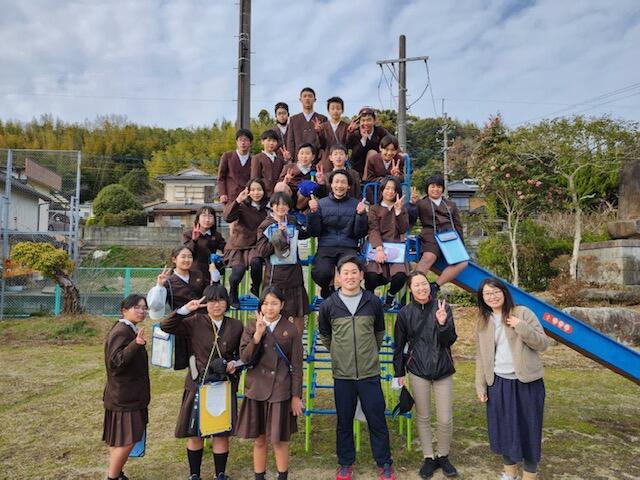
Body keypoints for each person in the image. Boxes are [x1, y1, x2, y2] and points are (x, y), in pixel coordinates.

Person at [317, 255, 395, 480]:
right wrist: (339, 354)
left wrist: (369, 353)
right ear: (338, 277)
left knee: (377, 419)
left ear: (361, 275)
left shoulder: (373, 302)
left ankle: (384, 462)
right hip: (343, 374)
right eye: (345, 273)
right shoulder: (329, 305)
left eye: (354, 272)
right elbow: (326, 336)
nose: (350, 276)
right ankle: (345, 462)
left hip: (370, 373)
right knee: (344, 421)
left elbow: (379, 332)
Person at [161, 285, 244, 480]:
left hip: (223, 384)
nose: (216, 305)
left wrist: (235, 364)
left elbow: (244, 354)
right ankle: (194, 474)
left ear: (227, 302)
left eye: (221, 300)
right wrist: (185, 310)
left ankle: (220, 474)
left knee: (221, 432)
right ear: (205, 303)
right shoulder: (195, 321)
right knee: (195, 432)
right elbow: (166, 326)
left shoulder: (236, 325)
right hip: (198, 384)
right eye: (212, 301)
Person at [475, 278, 551, 480]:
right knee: (504, 430)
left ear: (504, 292)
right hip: (498, 383)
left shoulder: (522, 313)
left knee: (529, 429)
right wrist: (480, 386)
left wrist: (521, 326)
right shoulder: (483, 321)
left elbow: (543, 344)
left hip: (528, 382)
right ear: (482, 298)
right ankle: (510, 474)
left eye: (496, 292)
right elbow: (481, 356)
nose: (492, 297)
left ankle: (529, 475)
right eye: (487, 294)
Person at [393, 271, 459, 479]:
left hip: (443, 369)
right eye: (417, 285)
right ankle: (429, 457)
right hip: (418, 370)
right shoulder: (405, 313)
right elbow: (399, 345)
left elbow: (449, 340)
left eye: (424, 284)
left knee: (445, 419)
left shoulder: (442, 307)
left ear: (429, 286)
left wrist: (442, 323)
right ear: (410, 289)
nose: (422, 288)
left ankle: (443, 456)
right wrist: (398, 372)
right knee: (423, 416)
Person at [236, 287, 304, 480]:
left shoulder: (290, 329)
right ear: (260, 306)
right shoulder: (252, 326)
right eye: (265, 303)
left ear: (282, 305)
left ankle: (282, 476)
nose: (269, 308)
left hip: (280, 389)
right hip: (257, 388)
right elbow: (245, 358)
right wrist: (258, 335)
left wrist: (296, 396)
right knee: (259, 439)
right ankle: (259, 476)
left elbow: (297, 366)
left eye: (274, 303)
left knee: (279, 440)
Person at [102, 295, 150, 480]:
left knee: (121, 439)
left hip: (125, 395)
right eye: (137, 307)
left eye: (144, 308)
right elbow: (115, 362)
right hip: (125, 397)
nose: (142, 311)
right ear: (124, 310)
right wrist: (135, 344)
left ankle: (117, 473)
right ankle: (112, 477)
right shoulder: (122, 331)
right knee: (128, 439)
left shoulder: (128, 329)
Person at [307, 169, 368, 299]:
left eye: (343, 182)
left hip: (348, 246)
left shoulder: (356, 204)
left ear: (348, 186)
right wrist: (313, 214)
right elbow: (314, 232)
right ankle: (327, 288)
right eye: (336, 182)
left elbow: (360, 233)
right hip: (326, 246)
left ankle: (345, 294)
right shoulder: (321, 204)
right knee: (321, 273)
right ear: (331, 184)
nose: (339, 186)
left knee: (350, 272)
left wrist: (361, 215)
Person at [256, 192, 311, 335]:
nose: (281, 207)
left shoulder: (292, 220)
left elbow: (306, 233)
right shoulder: (265, 225)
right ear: (272, 206)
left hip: (294, 273)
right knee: (273, 312)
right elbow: (262, 251)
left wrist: (312, 214)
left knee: (298, 312)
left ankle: (297, 343)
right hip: (275, 276)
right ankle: (273, 342)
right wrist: (278, 237)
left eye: (284, 204)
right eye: (277, 204)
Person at [147, 245, 206, 370]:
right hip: (182, 324)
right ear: (174, 259)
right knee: (191, 362)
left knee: (204, 357)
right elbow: (155, 306)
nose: (187, 260)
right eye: (183, 257)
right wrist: (159, 286)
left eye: (189, 257)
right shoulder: (168, 281)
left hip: (201, 322)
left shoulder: (198, 274)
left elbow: (208, 294)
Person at [408, 173, 468, 292]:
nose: (435, 189)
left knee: (463, 262)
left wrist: (461, 244)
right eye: (432, 186)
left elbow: (457, 224)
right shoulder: (421, 203)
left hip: (450, 236)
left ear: (442, 189)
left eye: (439, 187)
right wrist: (412, 204)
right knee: (429, 257)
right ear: (427, 188)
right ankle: (414, 286)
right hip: (431, 234)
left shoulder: (450, 204)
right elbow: (411, 218)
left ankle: (436, 285)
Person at [222, 178, 269, 309]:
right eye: (253, 190)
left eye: (259, 189)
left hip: (256, 244)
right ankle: (233, 293)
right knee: (238, 271)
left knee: (256, 262)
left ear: (264, 191)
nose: (256, 193)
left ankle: (255, 287)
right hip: (238, 244)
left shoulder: (267, 209)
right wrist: (237, 200)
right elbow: (227, 217)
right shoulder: (241, 206)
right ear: (248, 192)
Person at [364, 176, 410, 309]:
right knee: (371, 275)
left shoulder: (401, 209)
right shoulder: (374, 209)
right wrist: (379, 249)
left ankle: (390, 296)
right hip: (378, 245)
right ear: (382, 190)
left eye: (393, 189)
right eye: (387, 188)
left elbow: (403, 229)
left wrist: (398, 212)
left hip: (395, 247)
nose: (390, 192)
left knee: (400, 276)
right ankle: (370, 300)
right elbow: (373, 229)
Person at [182, 206, 226, 284]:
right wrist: (194, 240)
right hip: (193, 270)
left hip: (211, 271)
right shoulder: (188, 234)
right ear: (198, 219)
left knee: (212, 290)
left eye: (210, 216)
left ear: (214, 220)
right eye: (204, 216)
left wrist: (220, 258)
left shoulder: (216, 235)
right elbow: (185, 252)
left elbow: (226, 249)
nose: (207, 220)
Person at [345, 107, 389, 178]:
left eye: (369, 120)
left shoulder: (380, 131)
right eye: (363, 120)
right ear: (359, 122)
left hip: (376, 165)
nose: (366, 123)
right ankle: (365, 179)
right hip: (358, 166)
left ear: (374, 120)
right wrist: (364, 139)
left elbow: (390, 141)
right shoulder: (355, 133)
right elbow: (354, 153)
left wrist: (400, 152)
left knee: (373, 153)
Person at [286, 87, 327, 158]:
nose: (307, 98)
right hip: (298, 159)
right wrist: (290, 158)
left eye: (310, 96)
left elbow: (325, 142)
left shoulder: (322, 119)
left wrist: (322, 159)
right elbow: (290, 141)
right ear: (300, 99)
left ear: (314, 99)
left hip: (316, 159)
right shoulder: (293, 119)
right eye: (304, 96)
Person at [217, 128, 254, 204]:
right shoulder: (227, 156)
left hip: (247, 197)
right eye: (240, 140)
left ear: (250, 142)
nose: (243, 143)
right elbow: (221, 177)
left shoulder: (253, 159)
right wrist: (222, 193)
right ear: (236, 142)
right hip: (230, 197)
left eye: (246, 140)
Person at [278, 142, 317, 211]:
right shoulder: (289, 167)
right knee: (281, 186)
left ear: (313, 157)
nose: (304, 156)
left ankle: (297, 211)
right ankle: (284, 209)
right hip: (289, 195)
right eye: (302, 153)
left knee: (308, 186)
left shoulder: (315, 170)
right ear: (298, 155)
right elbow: (279, 184)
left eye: (307, 154)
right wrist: (285, 181)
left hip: (303, 201)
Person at [316, 96, 349, 171]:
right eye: (333, 108)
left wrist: (350, 133)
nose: (335, 111)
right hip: (327, 159)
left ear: (342, 110)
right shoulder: (322, 126)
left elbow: (348, 144)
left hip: (341, 159)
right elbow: (321, 145)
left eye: (338, 108)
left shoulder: (347, 126)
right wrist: (319, 133)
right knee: (327, 177)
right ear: (328, 110)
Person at [251, 129, 287, 197]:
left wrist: (287, 160)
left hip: (278, 194)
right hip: (263, 194)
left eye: (274, 141)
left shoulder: (280, 159)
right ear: (262, 142)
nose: (271, 143)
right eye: (269, 140)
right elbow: (254, 178)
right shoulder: (257, 158)